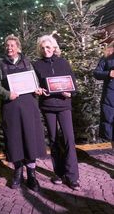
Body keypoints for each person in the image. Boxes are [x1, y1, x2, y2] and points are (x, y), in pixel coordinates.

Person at [0, 35, 46, 192]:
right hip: (11, 106)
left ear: (18, 47)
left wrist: (37, 89)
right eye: (7, 45)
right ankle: (17, 172)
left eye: (12, 45)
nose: (10, 48)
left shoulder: (26, 62)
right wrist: (7, 94)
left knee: (30, 138)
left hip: (29, 106)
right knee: (14, 139)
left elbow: (35, 82)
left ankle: (31, 175)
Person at [33, 35, 80, 190]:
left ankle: (72, 177)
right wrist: (38, 90)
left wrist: (70, 93)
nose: (46, 50)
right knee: (53, 140)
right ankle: (59, 173)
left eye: (48, 47)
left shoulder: (63, 62)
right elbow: (35, 85)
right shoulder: (37, 65)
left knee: (68, 139)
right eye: (43, 47)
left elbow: (73, 85)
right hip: (48, 106)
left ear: (54, 48)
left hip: (64, 105)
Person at [93, 41, 114, 149]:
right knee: (111, 128)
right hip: (110, 99)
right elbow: (96, 73)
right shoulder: (107, 57)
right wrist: (109, 74)